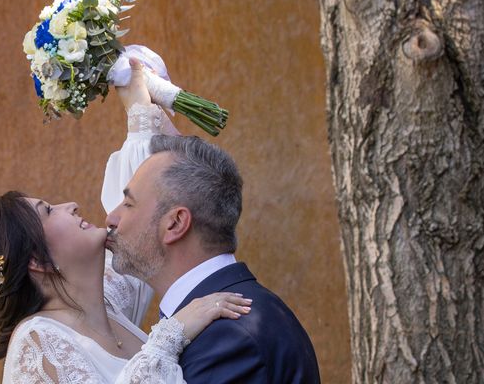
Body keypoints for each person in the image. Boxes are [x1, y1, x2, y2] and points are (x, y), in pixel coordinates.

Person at [0, 59, 253, 383]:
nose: (70, 205)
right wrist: (172, 334)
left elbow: (139, 219)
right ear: (37, 260)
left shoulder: (106, 303)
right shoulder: (37, 341)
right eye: (48, 211)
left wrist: (138, 105)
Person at [105, 89, 322, 382]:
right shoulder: (205, 321)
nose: (112, 218)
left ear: (175, 224)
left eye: (128, 203)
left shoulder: (230, 337)